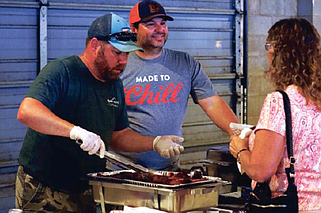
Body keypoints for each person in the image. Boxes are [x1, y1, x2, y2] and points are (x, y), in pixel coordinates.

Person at [15, 13, 184, 213]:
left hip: (86, 188)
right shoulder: (63, 71)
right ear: (95, 45)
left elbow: (118, 135)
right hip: (45, 187)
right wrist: (75, 131)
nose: (123, 61)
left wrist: (154, 142)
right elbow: (27, 111)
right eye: (117, 52)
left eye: (127, 54)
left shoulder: (114, 84)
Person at [109, 0, 239, 171]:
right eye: (150, 24)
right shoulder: (120, 64)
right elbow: (108, 124)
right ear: (133, 29)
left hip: (168, 171)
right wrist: (154, 143)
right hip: (123, 171)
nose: (160, 29)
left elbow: (212, 102)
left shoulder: (185, 63)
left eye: (163, 23)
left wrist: (237, 132)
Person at [229, 18, 321, 211]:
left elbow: (260, 170)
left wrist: (240, 149)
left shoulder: (279, 101)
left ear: (277, 53)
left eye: (268, 46)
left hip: (293, 205)